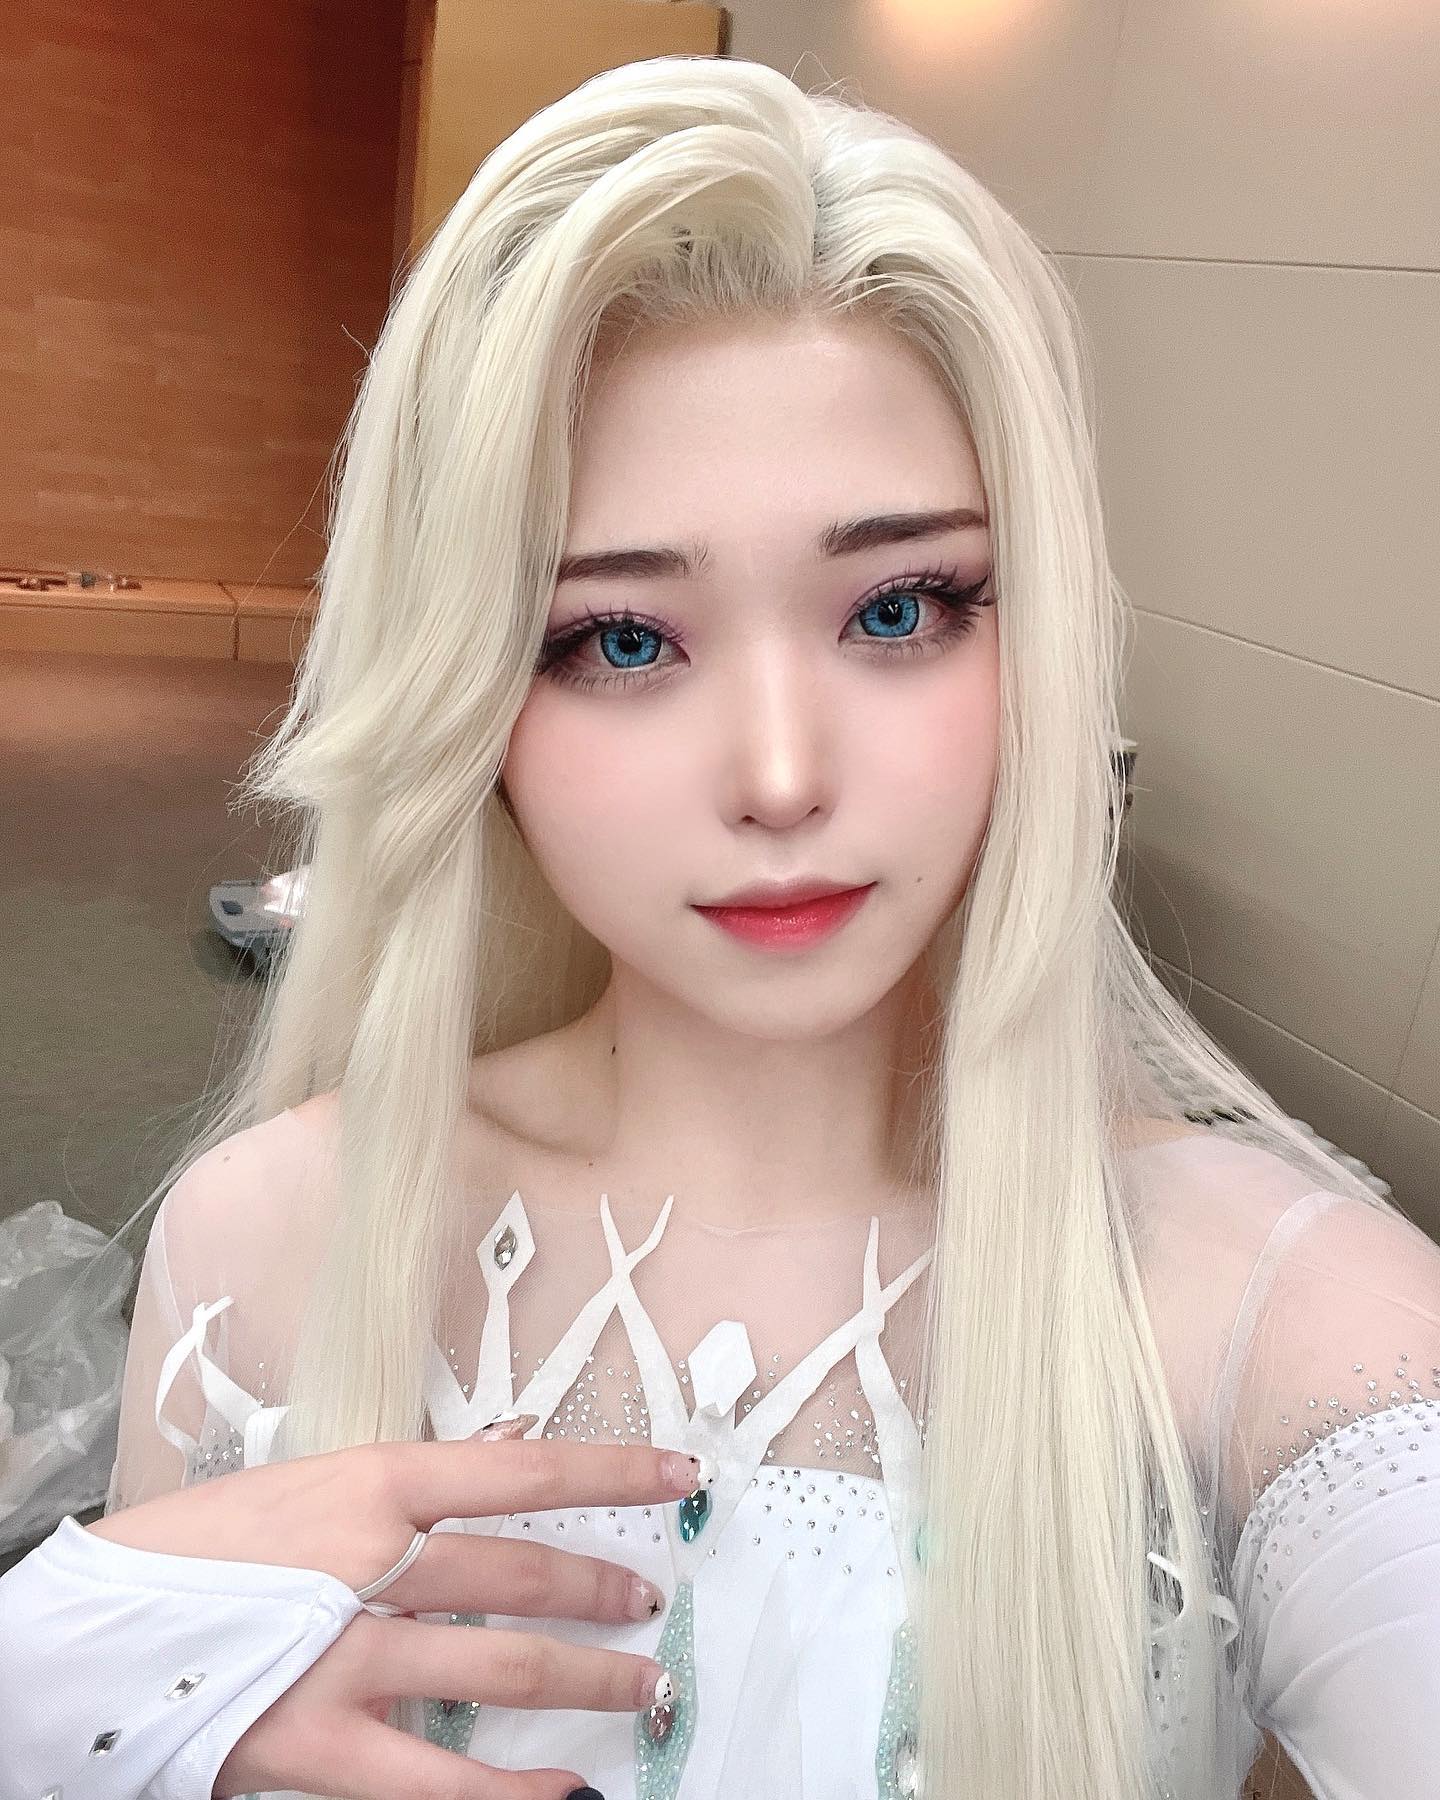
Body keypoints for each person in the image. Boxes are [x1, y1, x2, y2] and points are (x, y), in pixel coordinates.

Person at [2, 50, 1437, 1800]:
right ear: (472, 709)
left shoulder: (1287, 1317)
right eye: (622, 640)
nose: (778, 777)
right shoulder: (269, 1240)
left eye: (900, 608)